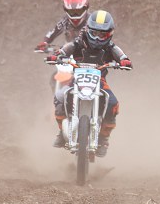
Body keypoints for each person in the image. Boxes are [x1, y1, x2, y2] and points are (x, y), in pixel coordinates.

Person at [47, 10, 132, 156]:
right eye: (94, 33)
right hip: (76, 79)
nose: (97, 38)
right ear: (88, 30)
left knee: (113, 103)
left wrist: (124, 61)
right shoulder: (79, 43)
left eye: (102, 35)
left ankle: (104, 138)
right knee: (60, 97)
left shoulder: (110, 47)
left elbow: (121, 55)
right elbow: (66, 49)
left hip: (100, 81)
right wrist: (58, 55)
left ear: (109, 34)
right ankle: (61, 132)